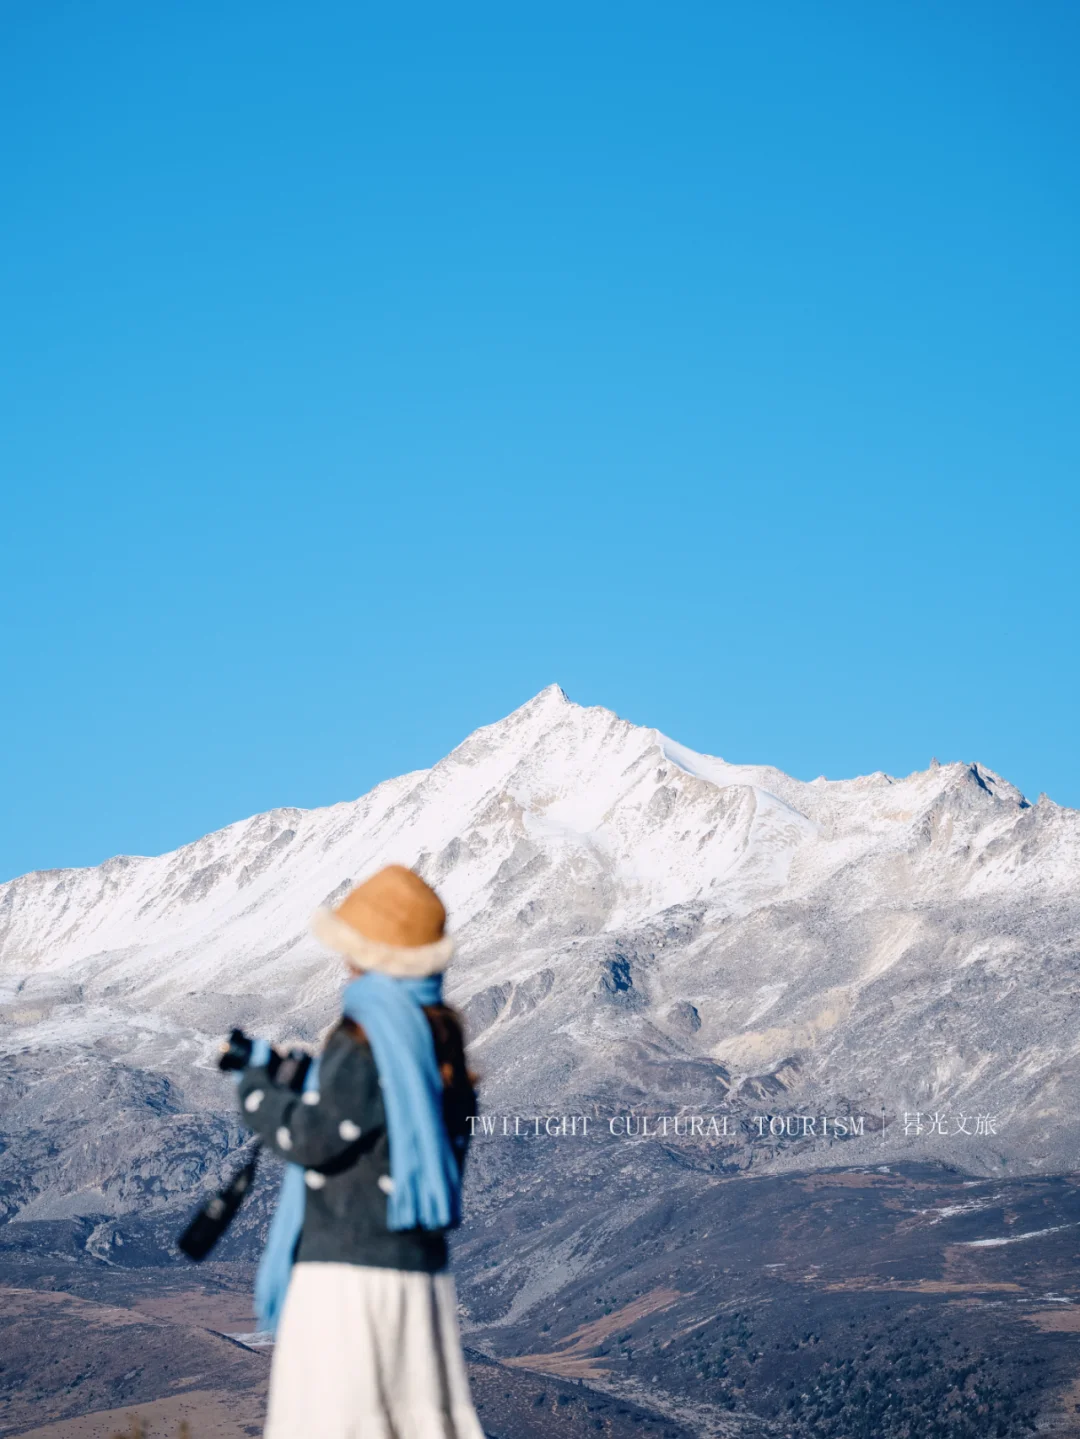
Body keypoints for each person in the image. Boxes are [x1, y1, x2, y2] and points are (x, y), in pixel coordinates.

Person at [236, 864, 483, 1439]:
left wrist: (255, 1090)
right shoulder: (441, 1043)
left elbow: (314, 1140)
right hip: (416, 1271)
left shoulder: (365, 1037)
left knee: (335, 1419)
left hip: (346, 1277)